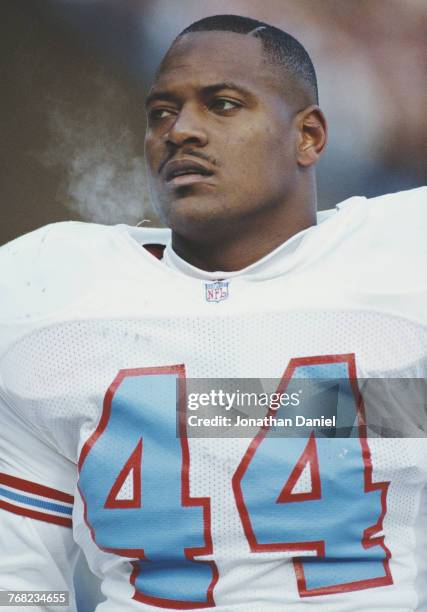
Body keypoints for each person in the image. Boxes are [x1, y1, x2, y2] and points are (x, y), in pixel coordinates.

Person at [0, 14, 426, 612]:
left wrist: (215, 406)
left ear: (309, 136)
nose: (181, 131)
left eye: (223, 104)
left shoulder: (406, 256)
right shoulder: (45, 295)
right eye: (161, 113)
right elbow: (19, 586)